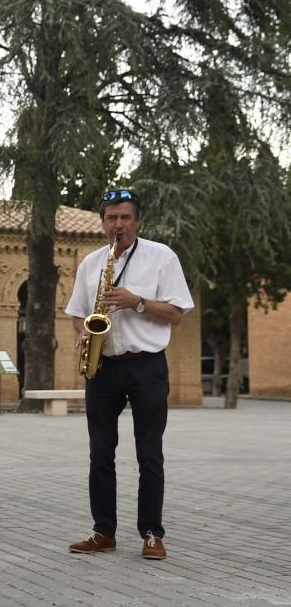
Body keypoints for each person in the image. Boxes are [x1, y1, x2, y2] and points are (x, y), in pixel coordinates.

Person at [66, 188, 193, 560]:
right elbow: (76, 312)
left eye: (125, 217)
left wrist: (135, 301)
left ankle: (152, 533)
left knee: (149, 453)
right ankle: (103, 530)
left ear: (137, 221)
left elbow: (176, 312)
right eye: (111, 218)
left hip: (147, 366)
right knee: (100, 453)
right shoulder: (91, 263)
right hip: (103, 366)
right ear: (102, 222)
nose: (117, 225)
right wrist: (84, 331)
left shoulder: (161, 257)